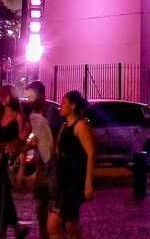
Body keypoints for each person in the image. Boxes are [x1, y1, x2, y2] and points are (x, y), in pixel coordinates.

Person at [47, 91, 96, 239]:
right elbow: (57, 152)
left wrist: (88, 183)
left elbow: (91, 153)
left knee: (53, 225)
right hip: (63, 181)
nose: (60, 106)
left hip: (75, 183)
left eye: (63, 103)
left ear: (73, 105)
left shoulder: (80, 126)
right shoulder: (64, 127)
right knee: (70, 226)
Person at [21, 82, 59, 239]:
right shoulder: (32, 113)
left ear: (40, 95)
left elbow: (55, 138)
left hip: (53, 167)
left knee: (53, 209)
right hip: (40, 166)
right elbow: (26, 136)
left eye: (31, 96)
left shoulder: (53, 113)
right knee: (39, 206)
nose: (28, 100)